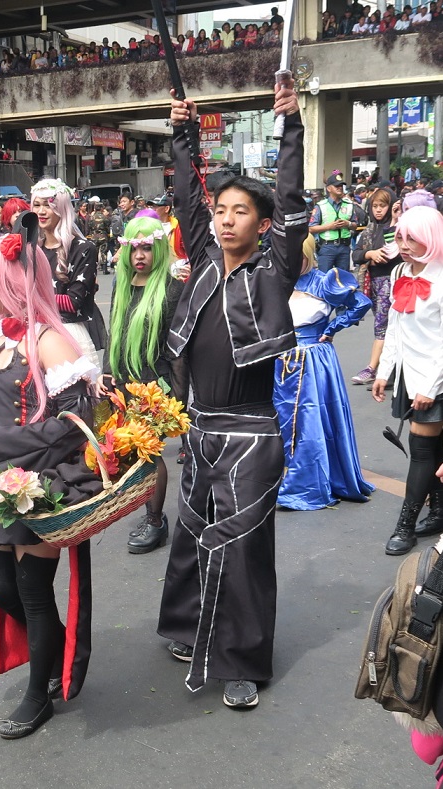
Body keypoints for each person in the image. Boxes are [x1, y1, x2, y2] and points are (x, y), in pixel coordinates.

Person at [159, 77, 306, 709]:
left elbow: (294, 198)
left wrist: (291, 126)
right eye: (220, 212)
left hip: (252, 432)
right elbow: (187, 190)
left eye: (238, 211)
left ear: (263, 224)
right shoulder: (203, 251)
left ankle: (242, 660)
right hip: (200, 425)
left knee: (243, 550)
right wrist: (182, 131)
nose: (223, 220)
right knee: (191, 532)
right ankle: (189, 627)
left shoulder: (275, 266)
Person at [0, 232, 100, 739]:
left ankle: (40, 694)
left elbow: (74, 421)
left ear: (16, 280)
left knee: (33, 592)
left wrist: (1, 451)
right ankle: (54, 647)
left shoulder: (51, 341)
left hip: (38, 479)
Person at [105, 216, 186, 554]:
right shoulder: (121, 285)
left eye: (148, 248)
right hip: (123, 382)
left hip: (155, 385)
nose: (140, 255)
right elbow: (115, 335)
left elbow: (178, 349)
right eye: (134, 247)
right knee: (134, 454)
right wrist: (108, 373)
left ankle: (155, 521)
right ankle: (150, 514)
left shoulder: (171, 288)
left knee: (149, 454)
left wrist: (179, 396)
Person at [274, 237, 374, 510]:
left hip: (313, 361)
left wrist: (331, 329)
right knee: (278, 423)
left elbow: (360, 303)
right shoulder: (275, 280)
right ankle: (277, 482)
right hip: (279, 360)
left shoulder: (323, 281)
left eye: (296, 257)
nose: (291, 263)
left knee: (311, 424)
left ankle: (305, 486)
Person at [373, 206, 443, 555]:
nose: (404, 243)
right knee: (435, 448)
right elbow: (395, 327)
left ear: (430, 237)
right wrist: (383, 371)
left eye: (412, 237)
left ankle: (406, 527)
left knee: (421, 451)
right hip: (409, 375)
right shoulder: (401, 270)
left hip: (436, 380)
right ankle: (440, 512)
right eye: (400, 236)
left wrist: (430, 386)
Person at [31, 179, 104, 363]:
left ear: (61, 208)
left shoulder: (83, 248)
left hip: (68, 334)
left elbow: (73, 302)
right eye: (37, 205)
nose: (41, 211)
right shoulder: (32, 249)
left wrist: (30, 298)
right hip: (35, 332)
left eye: (48, 205)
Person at [351, 186, 400, 385]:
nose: (378, 210)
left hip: (392, 281)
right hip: (373, 282)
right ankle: (387, 370)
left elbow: (393, 249)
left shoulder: (397, 226)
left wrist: (395, 221)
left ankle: (372, 368)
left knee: (382, 326)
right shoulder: (370, 229)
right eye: (375, 206)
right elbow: (356, 254)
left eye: (383, 205)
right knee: (386, 326)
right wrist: (369, 254)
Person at [309, 173, 359, 272]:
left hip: (344, 247)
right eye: (337, 186)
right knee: (324, 279)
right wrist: (329, 227)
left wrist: (347, 224)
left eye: (341, 185)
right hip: (327, 247)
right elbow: (311, 228)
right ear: (329, 188)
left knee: (343, 280)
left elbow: (355, 225)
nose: (340, 188)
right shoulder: (320, 206)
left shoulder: (349, 205)